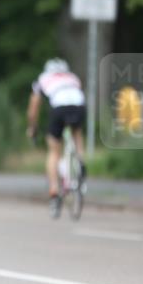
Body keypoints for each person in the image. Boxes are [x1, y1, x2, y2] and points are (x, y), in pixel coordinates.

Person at [26, 58, 87, 217]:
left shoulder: (42, 79)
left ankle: (54, 192)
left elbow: (34, 108)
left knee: (54, 151)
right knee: (77, 133)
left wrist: (32, 128)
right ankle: (80, 163)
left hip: (59, 107)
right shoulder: (73, 77)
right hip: (78, 105)